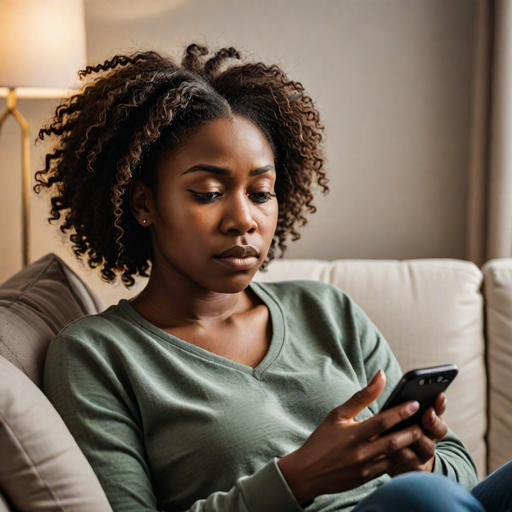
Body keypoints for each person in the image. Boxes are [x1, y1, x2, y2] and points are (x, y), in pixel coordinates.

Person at [37, 43, 510, 512]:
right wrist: (297, 479)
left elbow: (458, 469)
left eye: (261, 192)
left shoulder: (325, 309)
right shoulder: (96, 355)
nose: (243, 219)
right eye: (208, 192)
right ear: (144, 203)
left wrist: (418, 463)